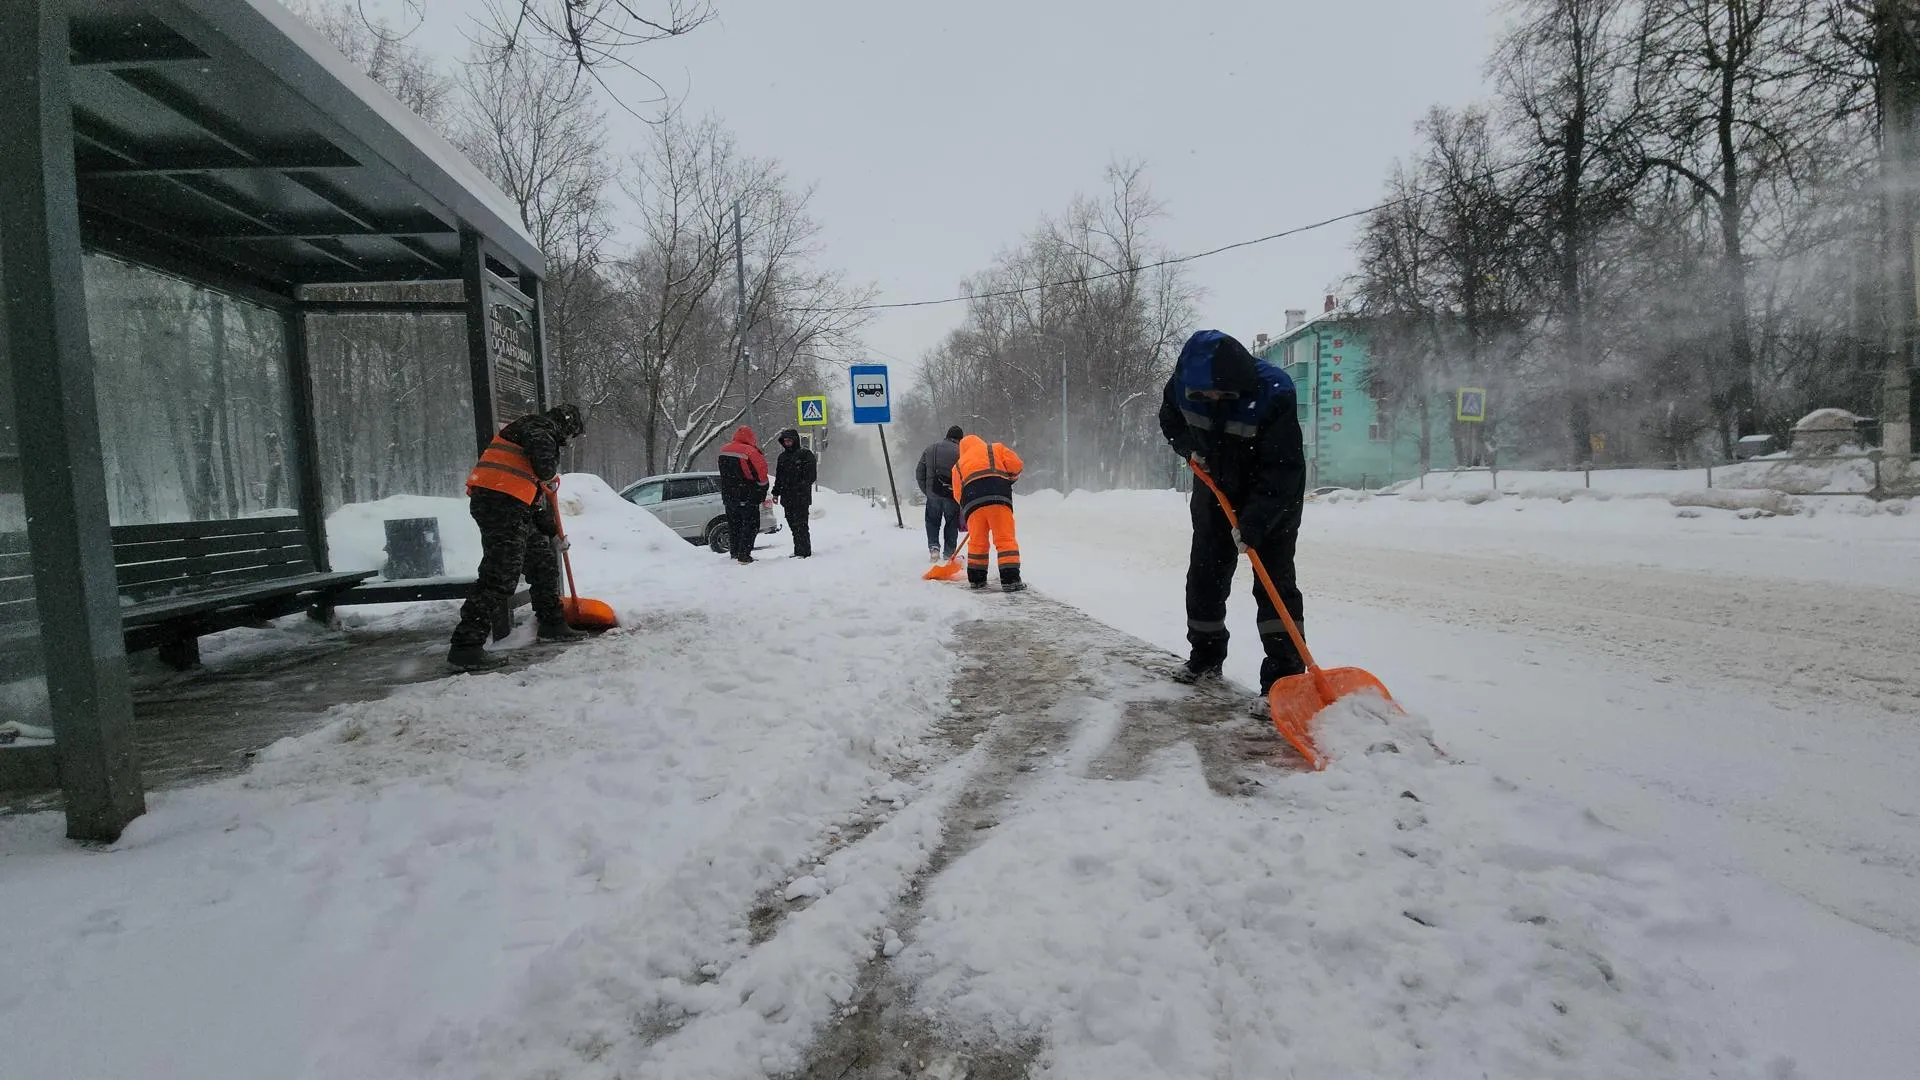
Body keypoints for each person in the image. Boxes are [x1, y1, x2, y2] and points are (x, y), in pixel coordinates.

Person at [1158, 329, 1308, 715]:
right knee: (1205, 576)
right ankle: (1205, 659)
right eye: (1203, 396)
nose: (1211, 401)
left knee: (1274, 584)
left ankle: (1283, 681)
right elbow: (1171, 419)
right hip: (1214, 487)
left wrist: (1255, 524)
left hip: (1271, 495)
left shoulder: (1274, 391)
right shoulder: (1181, 386)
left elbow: (1283, 470)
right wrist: (1189, 449)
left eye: (1221, 396)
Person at [447, 403, 588, 671]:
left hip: (510, 505)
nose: (568, 443)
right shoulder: (537, 427)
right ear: (567, 426)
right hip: (498, 506)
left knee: (542, 563)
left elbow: (525, 489)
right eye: (571, 436)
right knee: (499, 576)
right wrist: (550, 464)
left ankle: (552, 623)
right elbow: (544, 468)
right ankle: (466, 647)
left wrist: (546, 525)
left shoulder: (536, 432)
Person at [950, 433, 1025, 592]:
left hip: (972, 502)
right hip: (998, 497)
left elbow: (957, 494)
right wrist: (1009, 478)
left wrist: (973, 506)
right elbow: (1015, 464)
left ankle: (977, 580)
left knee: (977, 542)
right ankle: (1010, 580)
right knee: (1005, 539)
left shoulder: (957, 466)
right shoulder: (995, 448)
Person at [717, 425, 769, 564]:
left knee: (734, 525)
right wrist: (762, 490)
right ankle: (744, 555)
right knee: (751, 524)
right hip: (746, 495)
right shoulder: (750, 451)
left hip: (729, 496)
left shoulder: (724, 450)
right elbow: (761, 474)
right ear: (751, 437)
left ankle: (735, 552)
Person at [915, 425, 964, 561]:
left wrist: (927, 491)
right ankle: (949, 554)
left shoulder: (931, 449)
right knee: (951, 523)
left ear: (947, 436)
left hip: (933, 493)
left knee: (932, 521)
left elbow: (919, 472)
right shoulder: (962, 452)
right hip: (952, 495)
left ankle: (934, 548)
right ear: (960, 439)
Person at [772, 428, 818, 558]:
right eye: (785, 441)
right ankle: (798, 550)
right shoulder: (782, 457)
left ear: (795, 440)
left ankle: (805, 551)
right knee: (792, 523)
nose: (787, 443)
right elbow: (779, 477)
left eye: (789, 440)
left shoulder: (805, 455)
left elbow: (811, 475)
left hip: (801, 497)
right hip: (787, 498)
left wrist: (800, 486)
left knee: (801, 524)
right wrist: (776, 493)